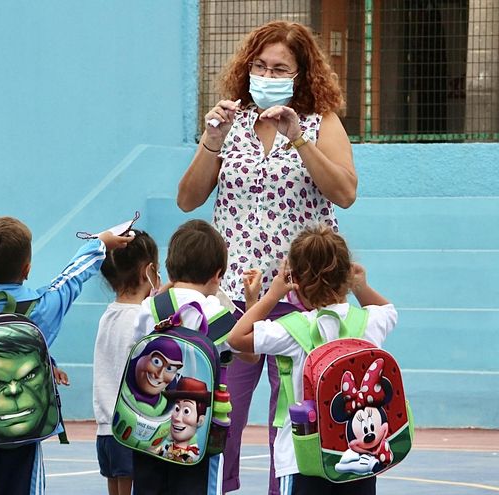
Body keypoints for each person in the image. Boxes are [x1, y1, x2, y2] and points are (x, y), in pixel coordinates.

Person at [176, 20, 358, 494]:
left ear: (301, 75)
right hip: (234, 299)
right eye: (259, 65)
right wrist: (211, 138)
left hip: (302, 299)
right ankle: (218, 487)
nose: (267, 73)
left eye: (279, 67)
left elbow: (345, 193)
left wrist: (299, 138)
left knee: (292, 420)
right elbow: (188, 199)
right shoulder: (231, 122)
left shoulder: (321, 122)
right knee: (221, 415)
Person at [0, 216, 132, 495]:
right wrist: (99, 243)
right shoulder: (41, 308)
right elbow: (72, 276)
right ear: (27, 268)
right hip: (24, 441)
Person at [227, 225, 397, 495]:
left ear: (294, 280)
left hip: (300, 456)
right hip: (358, 454)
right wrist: (361, 286)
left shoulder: (292, 328)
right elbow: (389, 310)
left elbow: (237, 338)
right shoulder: (369, 322)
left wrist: (272, 295)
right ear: (347, 274)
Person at [132, 219, 257, 495]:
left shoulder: (150, 307)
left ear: (170, 267)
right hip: (199, 433)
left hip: (148, 426)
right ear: (217, 274)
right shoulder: (221, 317)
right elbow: (251, 356)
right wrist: (251, 305)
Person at [93, 230, 160, 495]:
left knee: (116, 485)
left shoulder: (108, 315)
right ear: (149, 271)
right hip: (133, 425)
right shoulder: (144, 318)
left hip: (106, 426)